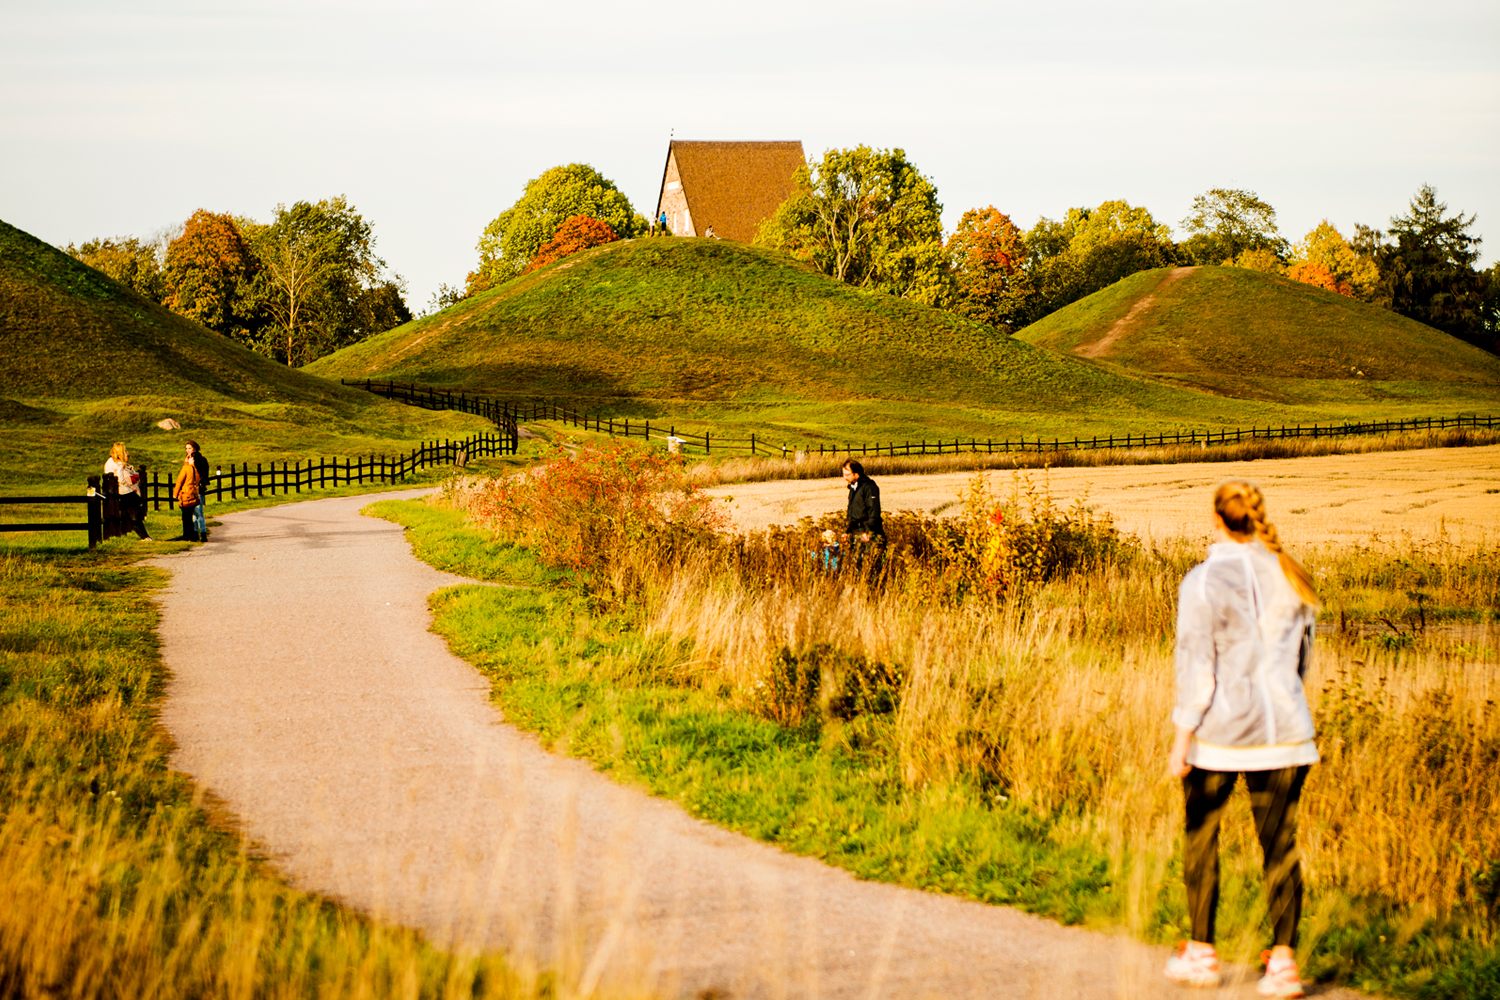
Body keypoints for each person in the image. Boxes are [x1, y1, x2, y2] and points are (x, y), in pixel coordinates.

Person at [1164, 481, 1319, 998]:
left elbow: (1196, 667)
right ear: (1258, 516)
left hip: (1221, 734)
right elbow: (1301, 663)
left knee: (1201, 838)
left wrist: (1181, 738)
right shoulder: (1293, 576)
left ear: (1216, 519)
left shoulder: (1202, 582)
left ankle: (1202, 953)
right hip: (1286, 733)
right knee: (1280, 846)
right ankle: (1284, 965)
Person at [103, 442, 150, 540]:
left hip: (115, 490)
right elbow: (121, 479)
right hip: (123, 492)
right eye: (124, 451)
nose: (126, 453)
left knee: (131, 513)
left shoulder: (110, 461)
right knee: (135, 513)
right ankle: (145, 537)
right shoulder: (119, 463)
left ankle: (144, 536)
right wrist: (128, 485)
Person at [841, 459, 884, 544]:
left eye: (847, 475)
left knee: (868, 556)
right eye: (843, 474)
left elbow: (874, 510)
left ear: (856, 474)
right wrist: (847, 532)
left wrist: (868, 531)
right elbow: (851, 513)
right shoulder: (853, 488)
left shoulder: (869, 487)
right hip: (855, 532)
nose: (845, 477)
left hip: (868, 534)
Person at [172, 443, 202, 542]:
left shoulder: (186, 468)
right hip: (193, 493)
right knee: (190, 515)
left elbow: (179, 481)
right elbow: (197, 480)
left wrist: (175, 494)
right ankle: (193, 535)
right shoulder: (195, 469)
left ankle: (186, 535)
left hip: (186, 494)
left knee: (185, 516)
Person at [189, 441, 210, 540]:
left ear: (195, 449)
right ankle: (199, 533)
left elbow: (198, 474)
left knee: (198, 512)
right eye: (186, 448)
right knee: (196, 512)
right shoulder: (201, 459)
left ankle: (200, 533)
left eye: (189, 448)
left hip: (196, 488)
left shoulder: (197, 460)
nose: (187, 450)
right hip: (196, 488)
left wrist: (192, 464)